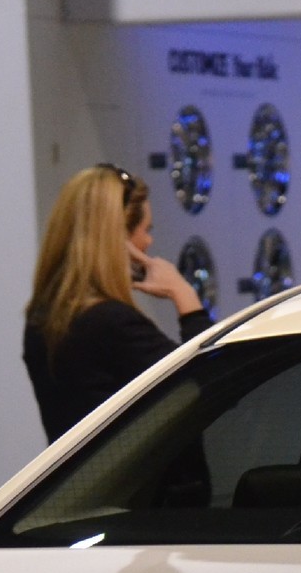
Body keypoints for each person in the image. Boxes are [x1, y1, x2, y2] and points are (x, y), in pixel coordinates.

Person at [22, 165, 208, 445]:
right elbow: (205, 386)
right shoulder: (112, 323)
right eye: (146, 230)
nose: (149, 241)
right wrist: (185, 297)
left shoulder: (41, 321)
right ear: (118, 240)